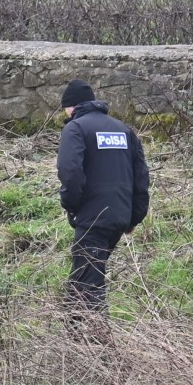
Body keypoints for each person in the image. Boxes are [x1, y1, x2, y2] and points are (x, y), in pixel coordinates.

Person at [56, 79, 150, 322]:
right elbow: (141, 177)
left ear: (70, 106)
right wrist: (134, 216)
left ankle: (100, 351)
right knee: (82, 279)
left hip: (92, 219)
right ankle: (71, 344)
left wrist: (72, 206)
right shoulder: (123, 130)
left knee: (89, 287)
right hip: (118, 219)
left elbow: (70, 173)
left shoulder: (75, 129)